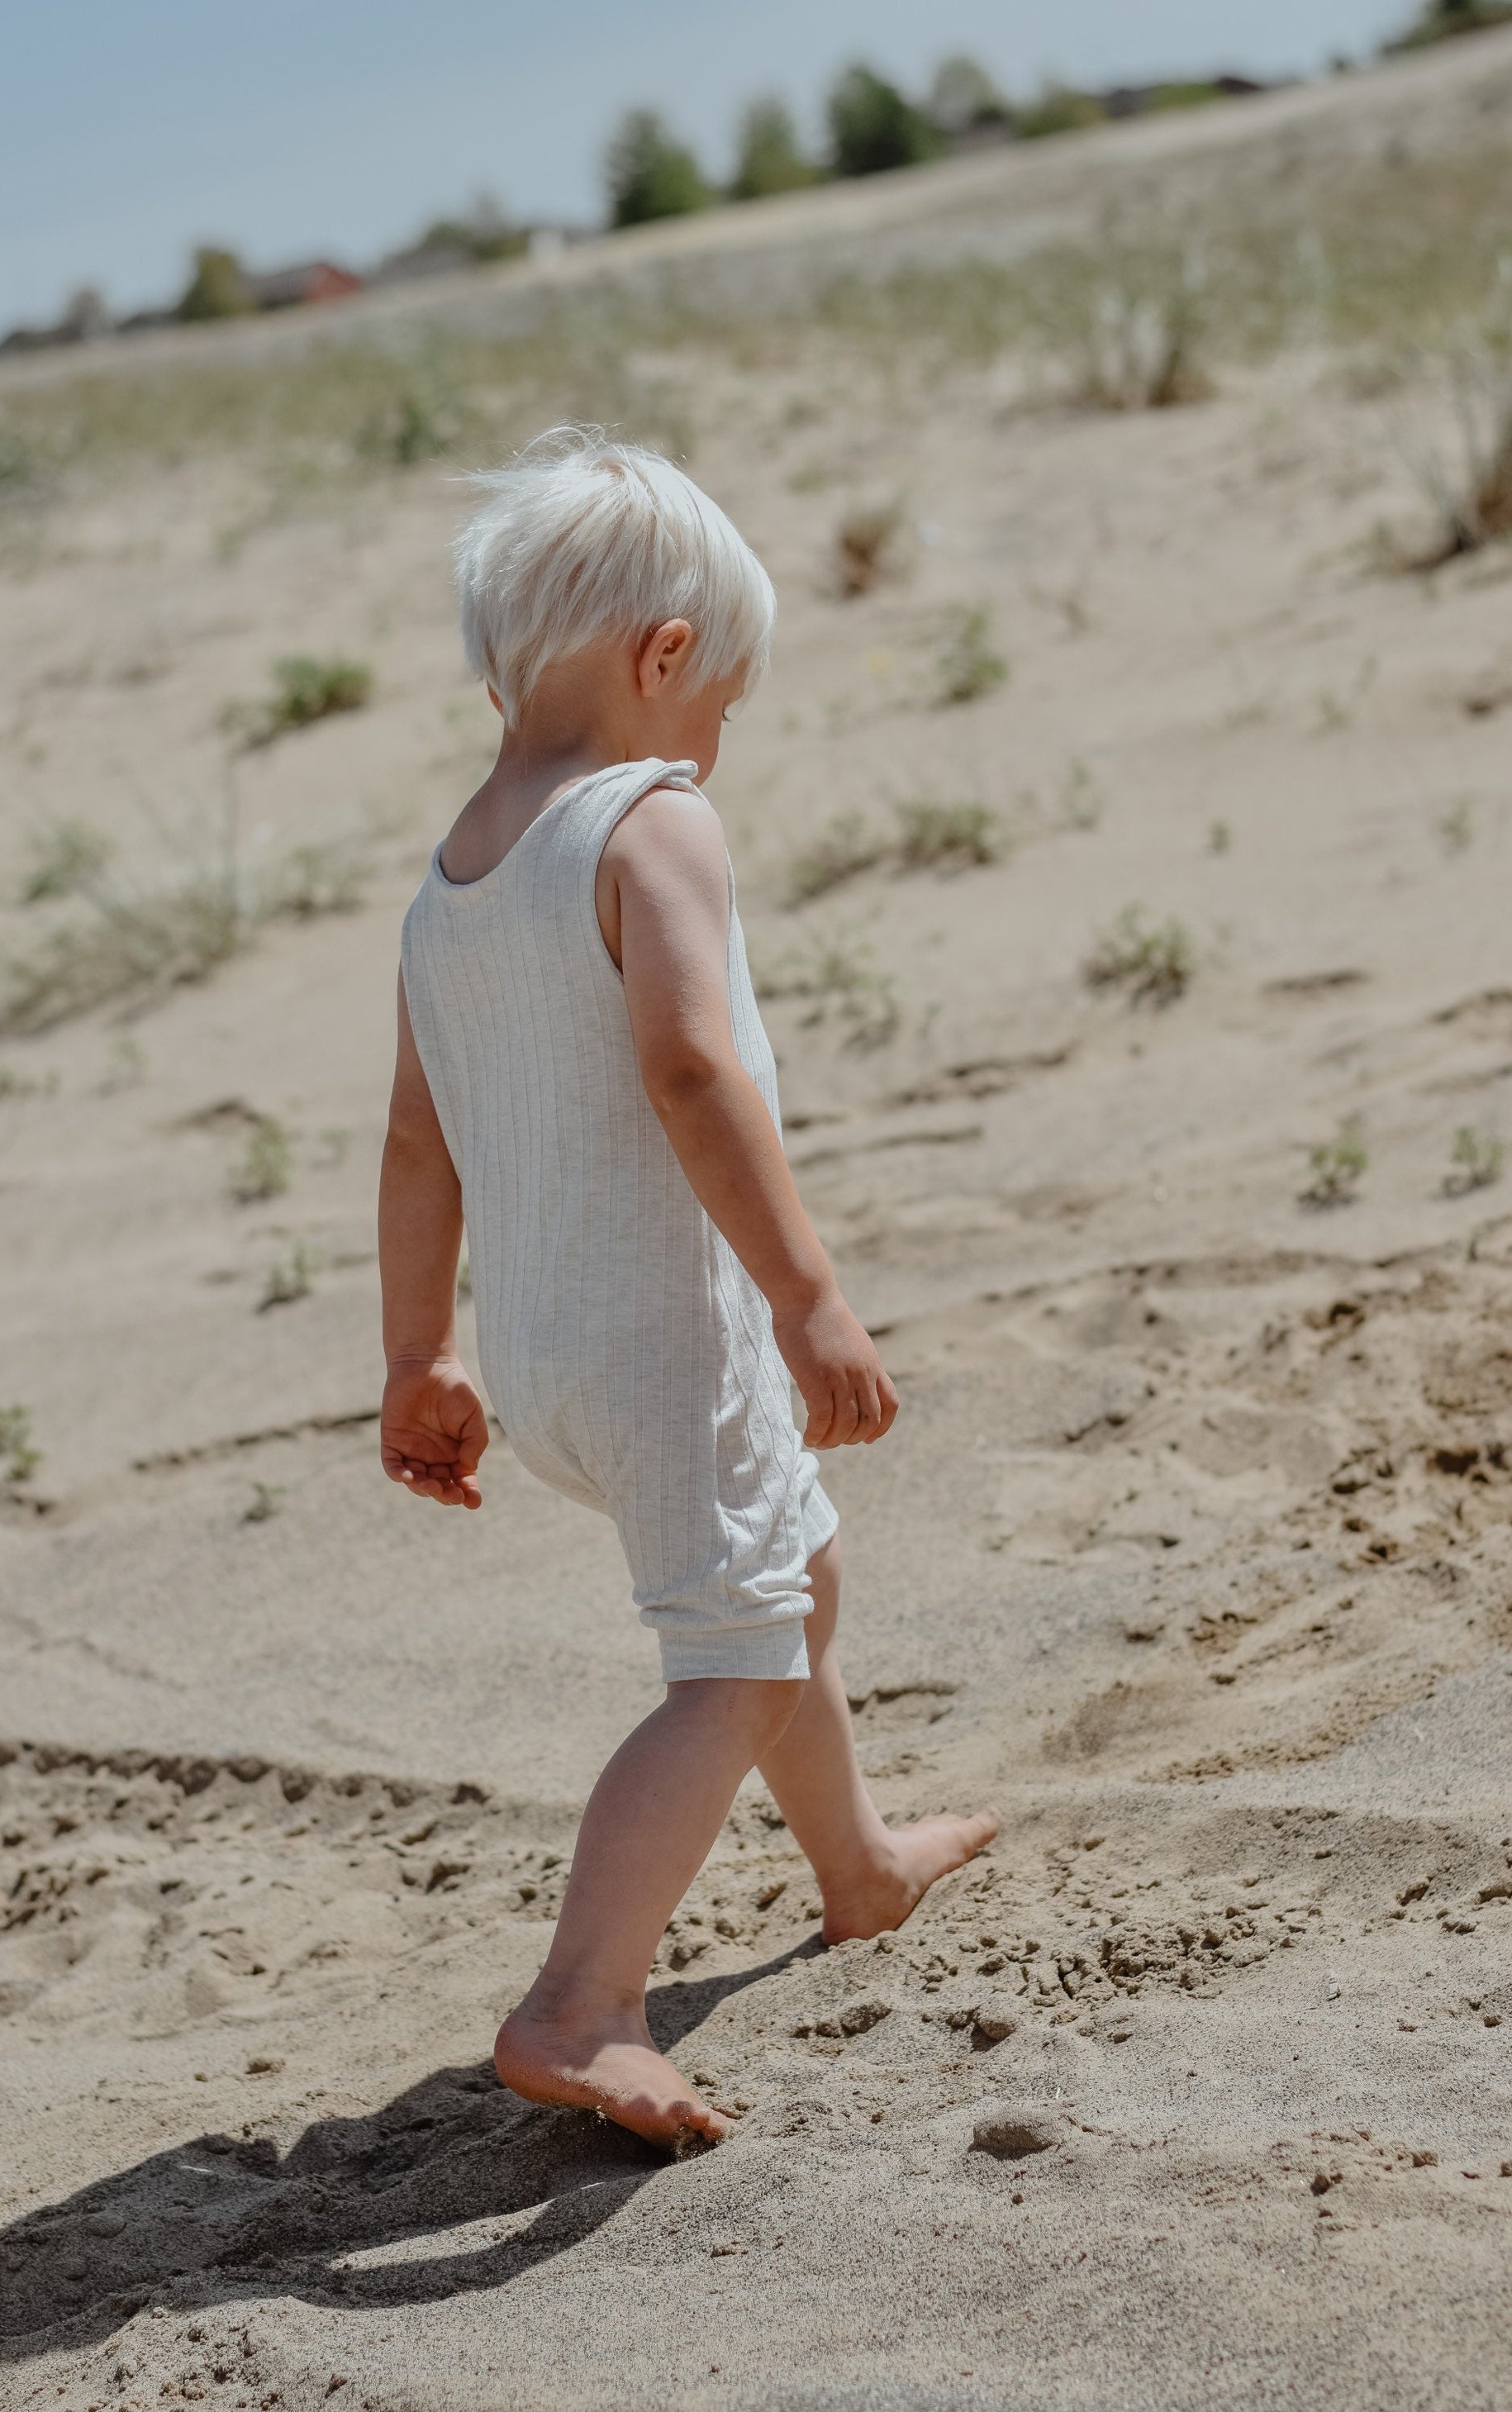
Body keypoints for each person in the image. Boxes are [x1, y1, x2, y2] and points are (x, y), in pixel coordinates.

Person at [378, 428, 999, 2153]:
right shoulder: (653, 820)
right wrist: (808, 1297)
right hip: (672, 1343)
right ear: (664, 657)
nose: (717, 735)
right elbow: (689, 1067)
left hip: (543, 1353)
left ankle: (857, 1864)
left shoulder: (452, 879)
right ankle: (581, 1999)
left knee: (793, 1568)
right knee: (727, 1660)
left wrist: (418, 1352)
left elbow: (417, 1139)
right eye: (722, 698)